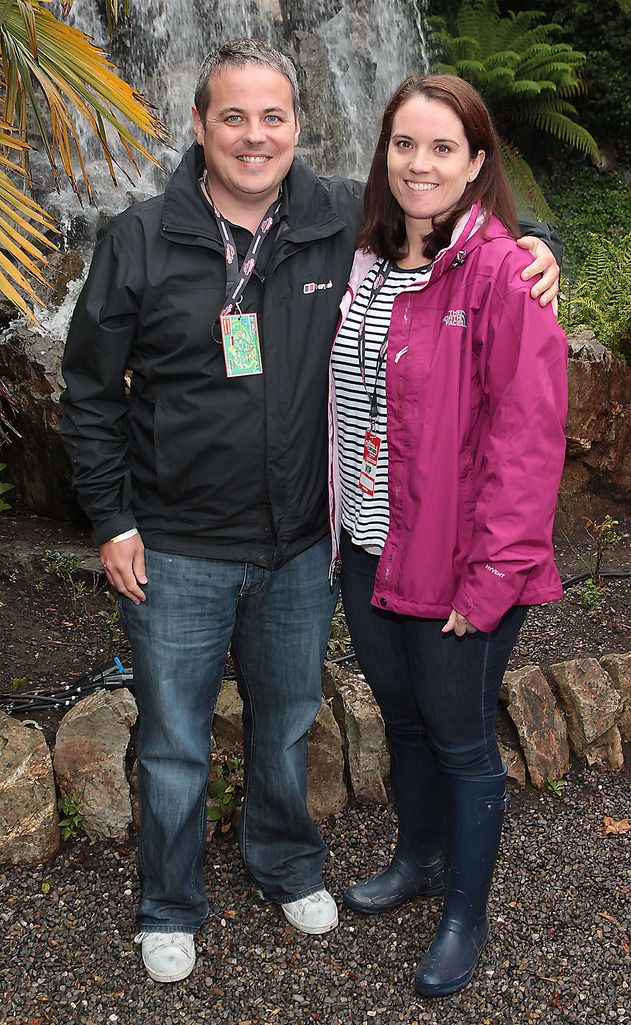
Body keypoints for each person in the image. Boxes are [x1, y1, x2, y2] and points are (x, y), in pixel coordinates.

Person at [60, 38, 561, 986]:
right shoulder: (138, 237)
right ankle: (169, 904)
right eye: (233, 117)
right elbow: (87, 394)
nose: (255, 137)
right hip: (179, 543)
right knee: (172, 739)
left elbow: (460, 208)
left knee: (287, 721)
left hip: (299, 548)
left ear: (300, 127)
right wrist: (109, 519)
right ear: (200, 124)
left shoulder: (339, 216)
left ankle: (285, 861)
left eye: (273, 117)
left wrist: (541, 241)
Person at [329, 73, 568, 997]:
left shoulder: (506, 274)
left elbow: (527, 440)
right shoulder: (362, 257)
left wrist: (494, 577)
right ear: (381, 152)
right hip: (366, 546)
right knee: (403, 721)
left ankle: (463, 911)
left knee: (460, 738)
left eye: (440, 147)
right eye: (403, 145)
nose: (418, 164)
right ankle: (415, 858)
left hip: (460, 567)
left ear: (475, 163)